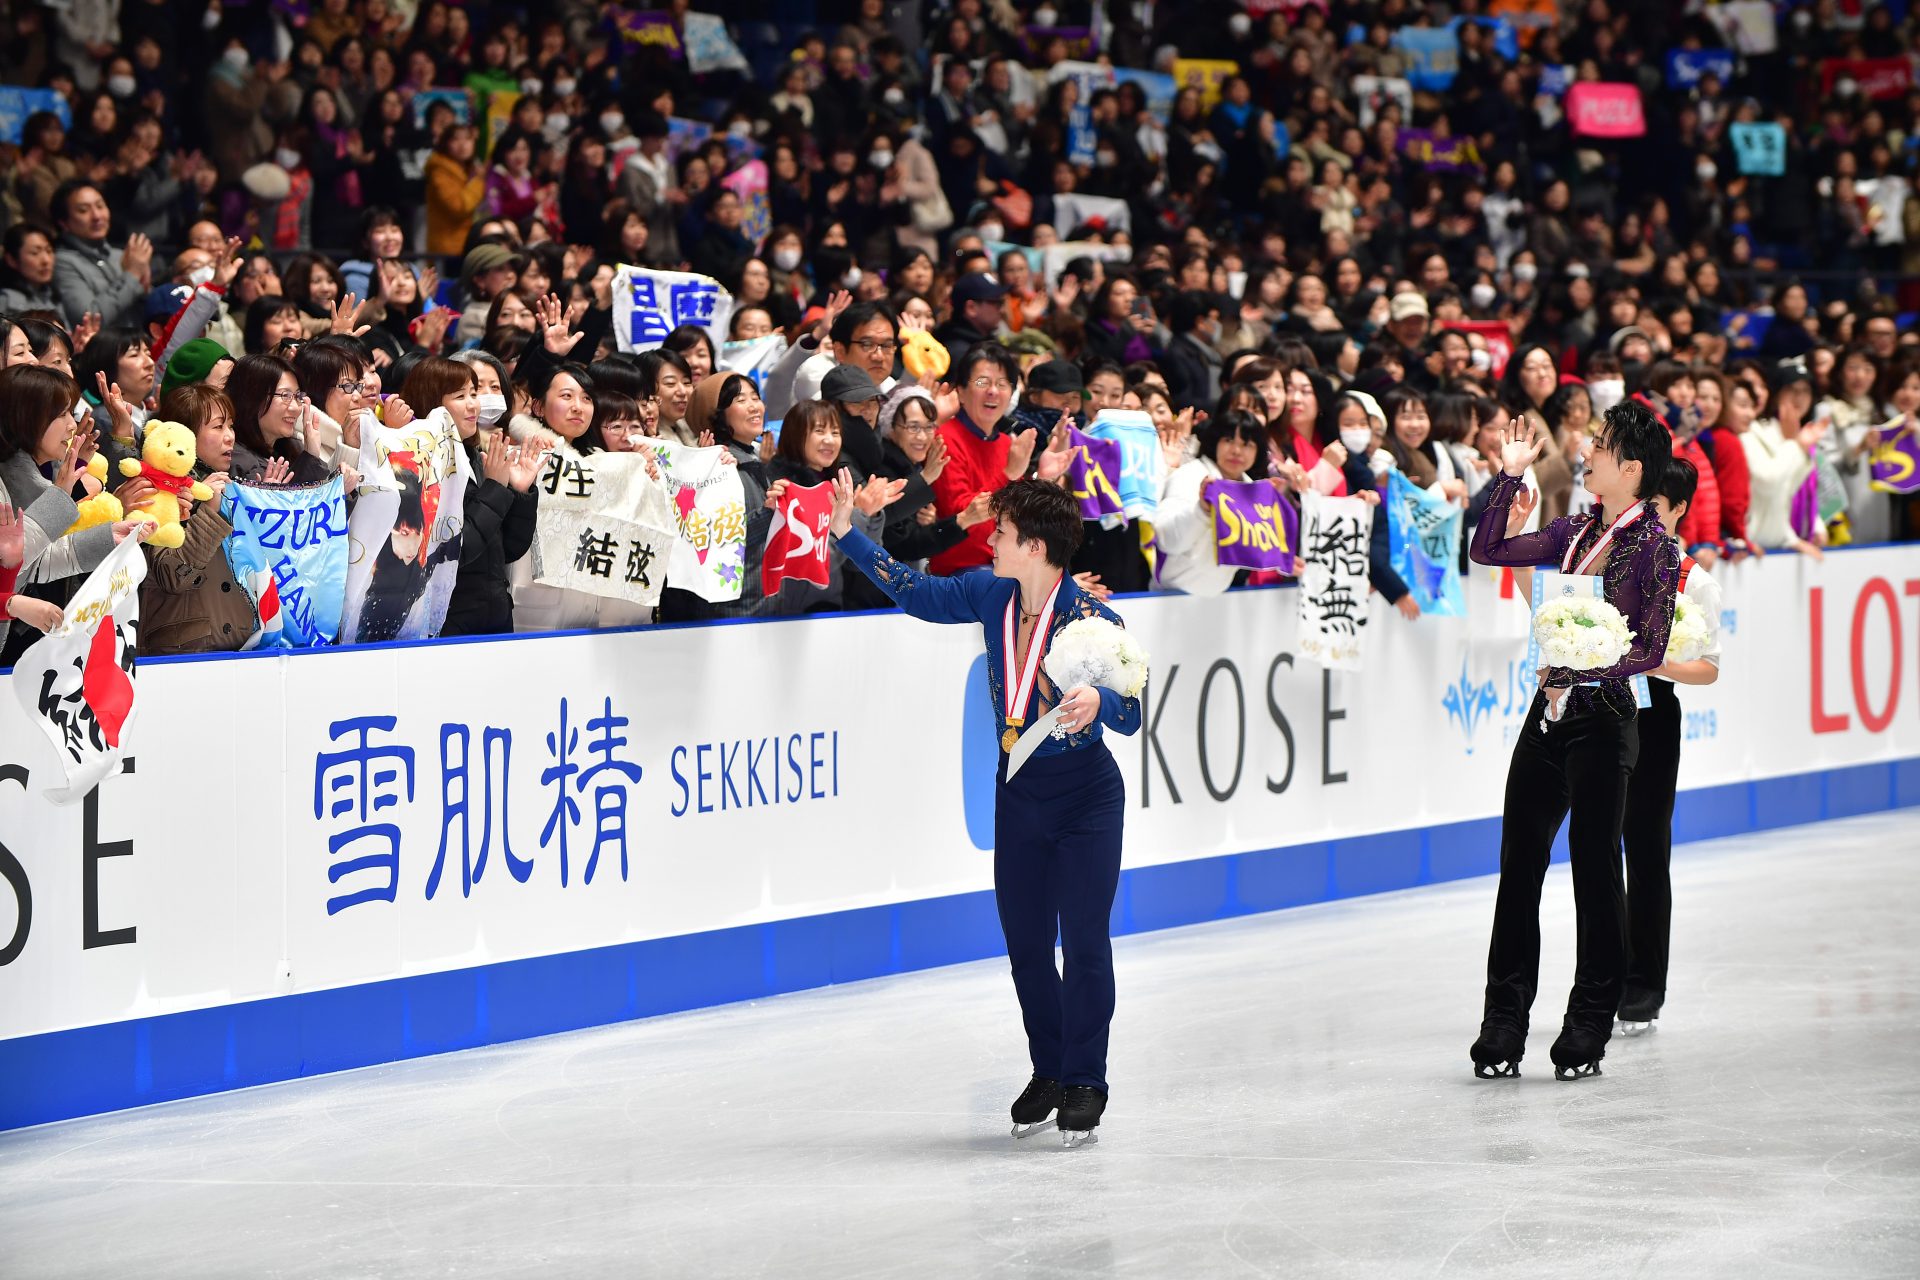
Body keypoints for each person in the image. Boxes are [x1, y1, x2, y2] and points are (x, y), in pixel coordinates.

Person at [829, 475, 1143, 1144]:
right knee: (1027, 946)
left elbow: (1134, 711)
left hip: (1086, 797)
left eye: (999, 533)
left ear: (1033, 546)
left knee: (1085, 943)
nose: (989, 540)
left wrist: (1100, 705)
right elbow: (918, 592)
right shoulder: (988, 593)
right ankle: (1050, 1069)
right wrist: (845, 534)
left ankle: (1086, 1077)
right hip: (1019, 793)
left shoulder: (1092, 619)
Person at [1465, 400, 1680, 1082]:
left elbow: (1648, 646)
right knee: (1518, 865)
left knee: (1594, 869)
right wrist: (1508, 477)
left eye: (1601, 446)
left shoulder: (1657, 548)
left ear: (1632, 467)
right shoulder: (1571, 530)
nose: (1586, 452)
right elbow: (1489, 548)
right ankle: (1503, 1019)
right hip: (1548, 714)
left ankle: (1590, 1018)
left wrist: (1588, 655)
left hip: (1606, 717)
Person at [1615, 456, 1723, 1036]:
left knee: (1647, 849)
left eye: (1654, 506)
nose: (1642, 516)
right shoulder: (1609, 560)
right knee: (1598, 844)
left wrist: (1660, 662)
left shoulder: (1695, 581)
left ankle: (1643, 986)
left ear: (1679, 510)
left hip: (1655, 717)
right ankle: (1601, 977)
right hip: (1602, 709)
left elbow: (1708, 668)